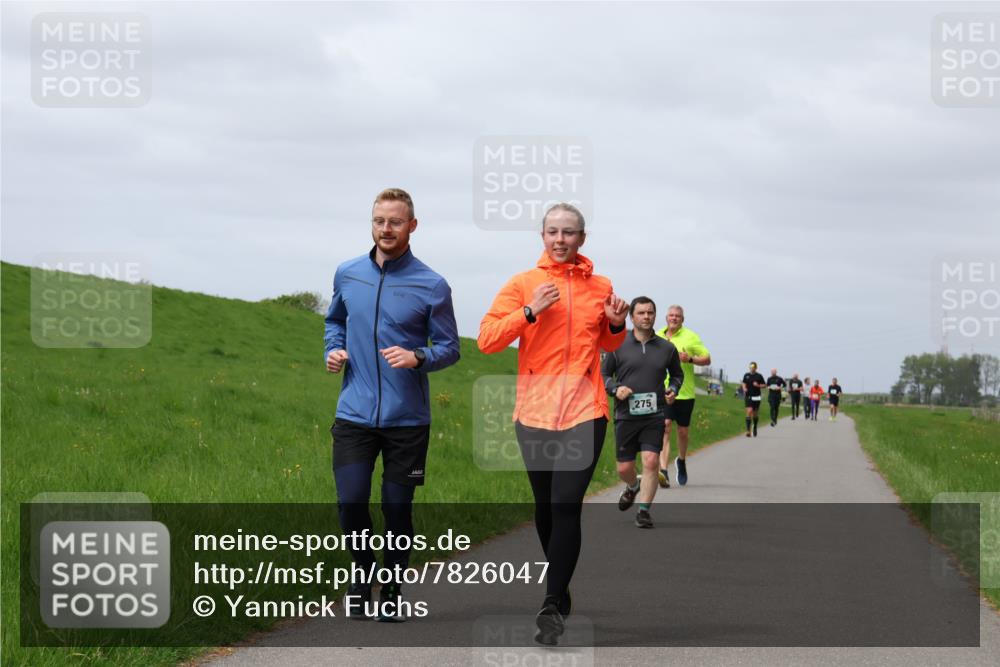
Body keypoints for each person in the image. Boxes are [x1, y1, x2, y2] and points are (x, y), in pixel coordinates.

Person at [478, 202, 628, 646]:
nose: (560, 239)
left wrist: (617, 323)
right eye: (552, 232)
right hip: (536, 411)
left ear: (582, 239)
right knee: (544, 507)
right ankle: (561, 588)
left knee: (565, 503)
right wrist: (529, 312)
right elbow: (487, 339)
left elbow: (604, 340)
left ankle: (549, 603)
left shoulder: (600, 286)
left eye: (569, 233)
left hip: (585, 409)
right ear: (541, 236)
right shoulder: (523, 284)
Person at [324, 188, 460, 622]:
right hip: (354, 416)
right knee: (351, 503)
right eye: (379, 220)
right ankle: (362, 577)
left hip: (408, 421)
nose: (386, 229)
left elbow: (450, 348)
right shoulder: (348, 273)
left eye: (395, 221)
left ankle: (393, 586)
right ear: (372, 223)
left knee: (397, 508)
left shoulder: (432, 284)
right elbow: (335, 321)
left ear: (412, 226)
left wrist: (418, 356)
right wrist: (335, 350)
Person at [602, 297, 683, 529]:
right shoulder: (617, 345)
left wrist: (673, 389)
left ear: (655, 316)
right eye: (641, 313)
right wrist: (615, 389)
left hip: (654, 414)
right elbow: (603, 375)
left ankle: (644, 511)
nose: (646, 317)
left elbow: (677, 375)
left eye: (650, 313)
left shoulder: (667, 348)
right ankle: (632, 486)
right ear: (632, 317)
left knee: (651, 461)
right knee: (624, 468)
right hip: (626, 415)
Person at [655, 305, 711, 487]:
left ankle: (681, 460)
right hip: (662, 389)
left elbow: (707, 358)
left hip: (685, 392)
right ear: (666, 318)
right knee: (665, 426)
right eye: (671, 315)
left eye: (677, 316)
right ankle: (663, 470)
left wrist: (690, 359)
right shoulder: (657, 336)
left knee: (682, 431)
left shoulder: (691, 337)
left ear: (682, 319)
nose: (674, 318)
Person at [741, 362, 767, 437]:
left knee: (755, 413)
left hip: (756, 396)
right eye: (750, 367)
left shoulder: (759, 376)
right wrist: (744, 388)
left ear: (756, 368)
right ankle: (748, 430)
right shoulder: (746, 375)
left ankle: (755, 427)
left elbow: (764, 385)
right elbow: (743, 383)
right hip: (748, 396)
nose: (751, 368)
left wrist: (758, 385)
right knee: (749, 411)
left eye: (753, 367)